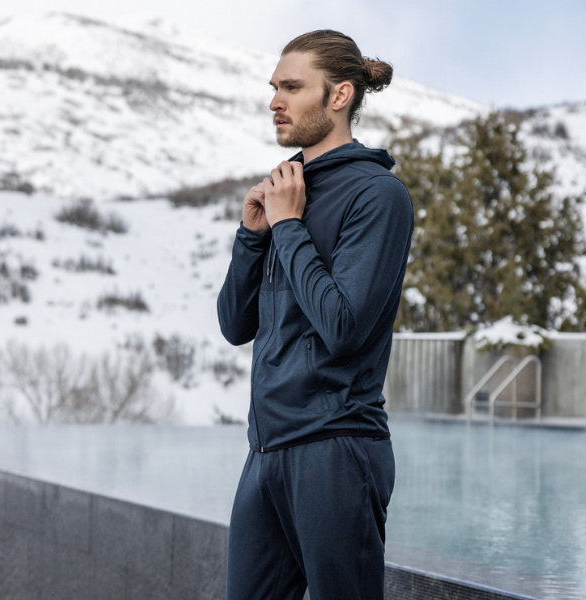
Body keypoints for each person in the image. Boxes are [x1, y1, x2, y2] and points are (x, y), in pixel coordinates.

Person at [217, 29, 414, 600]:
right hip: (266, 452)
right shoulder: (287, 190)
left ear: (339, 95)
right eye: (274, 87)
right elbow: (235, 326)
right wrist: (252, 236)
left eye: (292, 86)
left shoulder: (377, 195)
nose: (274, 100)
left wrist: (288, 226)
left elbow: (344, 328)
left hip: (336, 451)